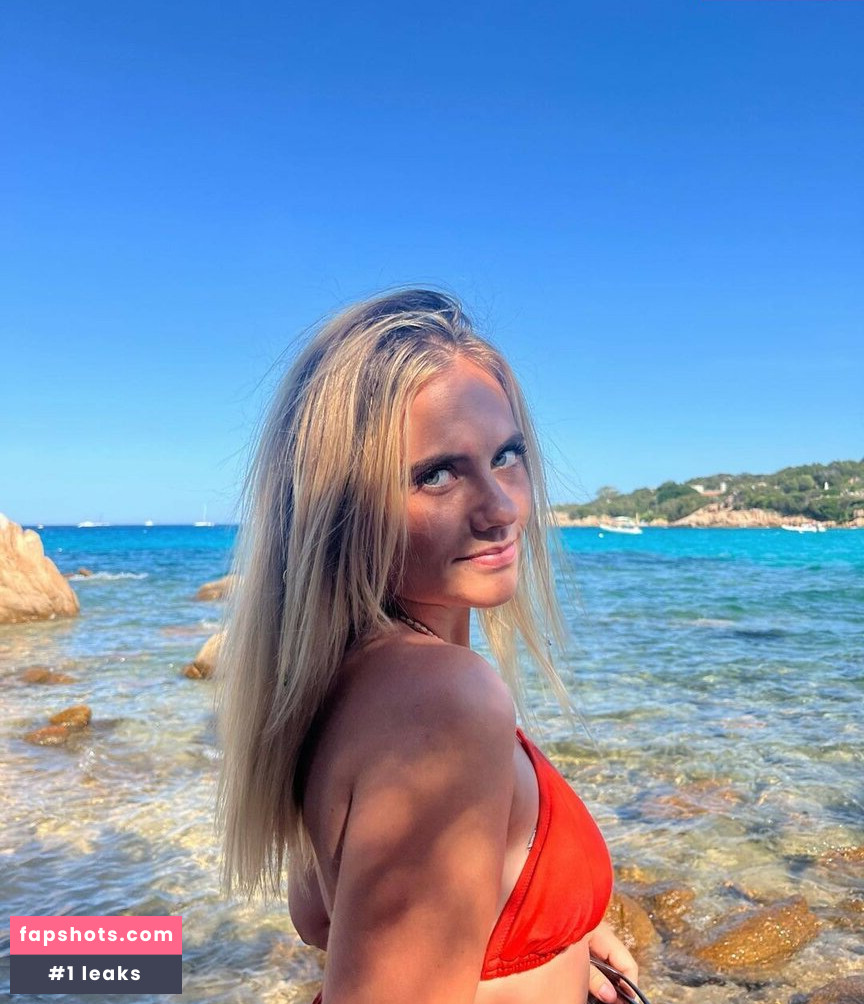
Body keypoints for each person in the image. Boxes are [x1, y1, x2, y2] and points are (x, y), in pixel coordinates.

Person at [217, 289, 639, 1004]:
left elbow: (336, 915)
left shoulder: (332, 682)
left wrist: (557, 935)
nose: (501, 508)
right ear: (341, 510)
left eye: (507, 456)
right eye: (437, 474)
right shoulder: (443, 704)